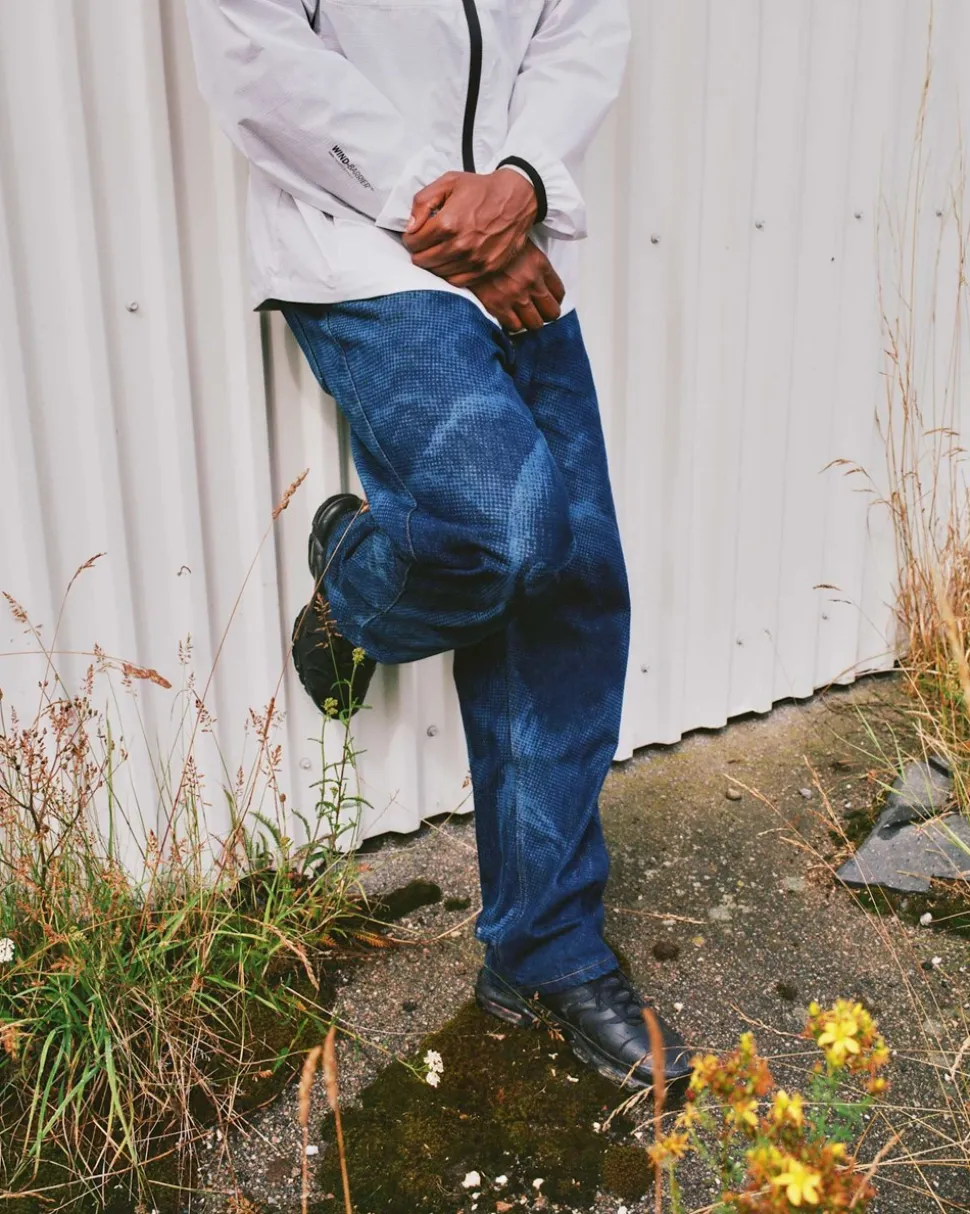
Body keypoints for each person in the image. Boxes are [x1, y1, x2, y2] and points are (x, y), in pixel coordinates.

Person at [187, 0, 690, 1090]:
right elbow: (256, 54)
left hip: (522, 253)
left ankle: (543, 954)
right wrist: (446, 212)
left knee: (573, 585)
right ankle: (357, 584)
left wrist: (520, 184)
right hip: (367, 252)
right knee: (504, 528)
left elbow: (578, 27)